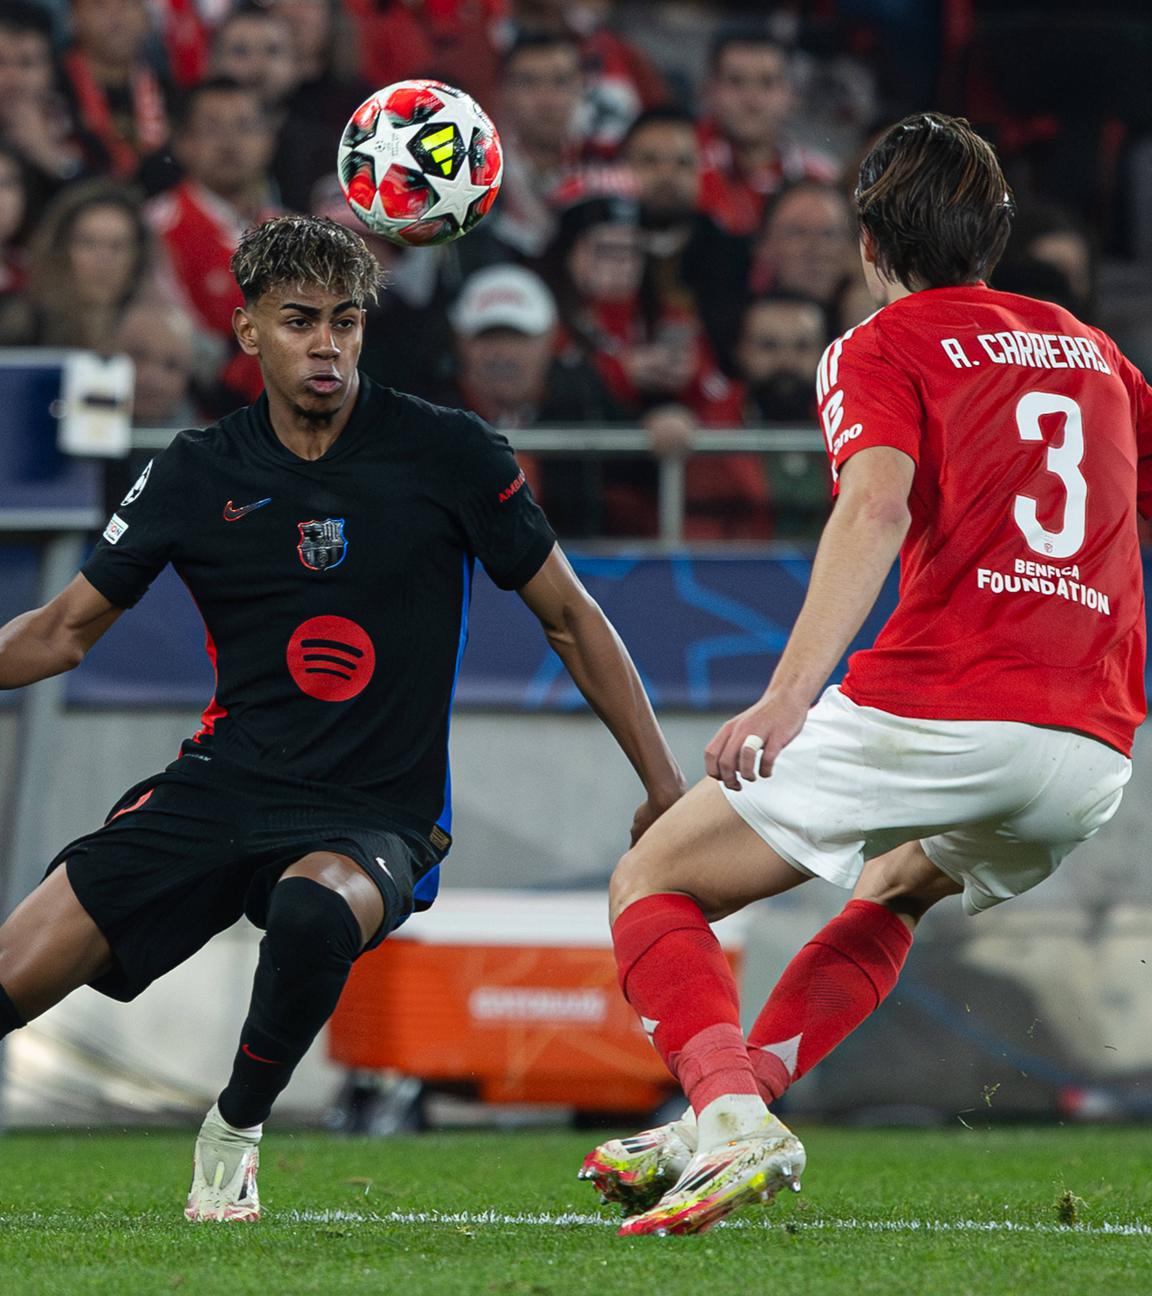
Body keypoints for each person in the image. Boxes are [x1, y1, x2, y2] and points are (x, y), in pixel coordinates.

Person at [0, 213, 685, 1222]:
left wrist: (664, 787)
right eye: (300, 322)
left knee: (317, 910)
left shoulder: (448, 452)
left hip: (374, 808)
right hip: (223, 784)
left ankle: (233, 1135)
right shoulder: (198, 471)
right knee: (18, 968)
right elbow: (60, 633)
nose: (327, 346)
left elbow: (574, 622)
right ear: (247, 333)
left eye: (346, 322)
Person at [578, 112, 1152, 1235]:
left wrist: (789, 693)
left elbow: (876, 503)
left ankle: (731, 1118)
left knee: (652, 879)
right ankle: (728, 1117)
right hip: (1092, 749)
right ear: (994, 236)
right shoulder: (1093, 351)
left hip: (951, 698)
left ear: (868, 243)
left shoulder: (885, 344)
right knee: (893, 885)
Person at [697, 30, 836, 239]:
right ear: (710, 91)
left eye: (767, 83)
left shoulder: (822, 178)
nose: (752, 100)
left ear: (792, 95)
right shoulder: (683, 168)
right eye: (736, 82)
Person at [0, 178, 152, 348]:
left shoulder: (155, 340)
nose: (103, 259)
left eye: (117, 246)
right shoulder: (18, 328)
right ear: (59, 250)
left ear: (139, 256)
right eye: (88, 243)